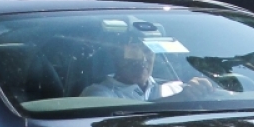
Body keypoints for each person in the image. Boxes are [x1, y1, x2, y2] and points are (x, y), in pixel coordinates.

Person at [81, 38, 215, 101]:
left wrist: (201, 88)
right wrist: (181, 98)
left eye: (148, 51)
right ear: (116, 55)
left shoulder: (176, 88)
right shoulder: (99, 94)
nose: (142, 59)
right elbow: (132, 119)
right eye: (133, 52)